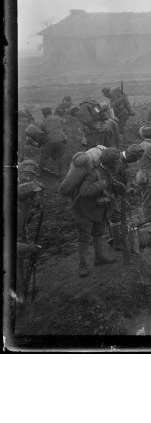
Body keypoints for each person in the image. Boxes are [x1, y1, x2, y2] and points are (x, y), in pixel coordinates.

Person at [72, 156, 123, 277]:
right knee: (84, 237)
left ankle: (99, 257)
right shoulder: (91, 173)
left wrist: (118, 186)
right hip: (84, 210)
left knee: (98, 232)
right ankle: (82, 265)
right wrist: (104, 183)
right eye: (115, 162)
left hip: (97, 208)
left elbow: (110, 182)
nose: (117, 165)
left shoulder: (104, 170)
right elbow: (85, 191)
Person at [98, 145, 144, 249]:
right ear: (131, 157)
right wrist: (119, 193)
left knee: (114, 216)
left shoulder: (117, 162)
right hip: (108, 194)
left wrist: (125, 190)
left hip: (113, 192)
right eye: (136, 159)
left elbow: (115, 181)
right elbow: (111, 182)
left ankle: (114, 238)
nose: (135, 161)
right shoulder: (117, 163)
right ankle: (116, 242)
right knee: (115, 216)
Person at [17, 160, 44, 296]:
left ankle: (21, 292)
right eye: (35, 195)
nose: (38, 197)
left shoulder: (23, 206)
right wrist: (30, 248)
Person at [38, 107, 66, 176]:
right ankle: (60, 173)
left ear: (44, 114)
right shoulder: (57, 117)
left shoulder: (43, 122)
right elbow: (64, 122)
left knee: (43, 157)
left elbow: (43, 131)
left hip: (50, 141)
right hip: (61, 140)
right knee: (59, 157)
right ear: (50, 112)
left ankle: (39, 173)